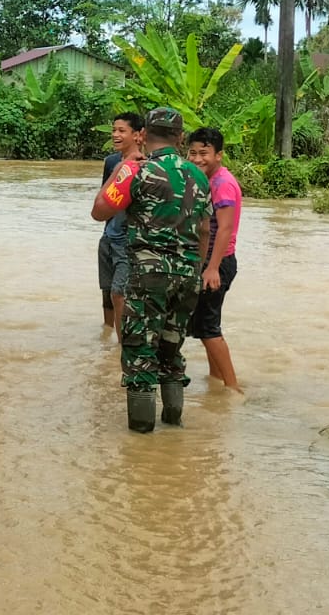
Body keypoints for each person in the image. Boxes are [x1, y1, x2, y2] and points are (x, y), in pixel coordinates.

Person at [91, 107, 212, 432]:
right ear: (181, 138)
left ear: (143, 135)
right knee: (171, 350)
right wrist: (194, 269)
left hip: (148, 275)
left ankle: (142, 437)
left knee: (140, 352)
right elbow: (204, 230)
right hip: (188, 275)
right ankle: (174, 426)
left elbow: (100, 211)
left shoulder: (137, 171)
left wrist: (122, 171)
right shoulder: (198, 174)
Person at [186, 127, 244, 394]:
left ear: (219, 155)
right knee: (205, 325)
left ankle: (233, 388)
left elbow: (224, 229)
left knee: (208, 326)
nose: (197, 158)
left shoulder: (222, 184)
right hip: (211, 260)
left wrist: (211, 268)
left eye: (204, 153)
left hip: (217, 261)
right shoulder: (206, 179)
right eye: (193, 152)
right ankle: (215, 381)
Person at [98, 112, 146, 332]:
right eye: (113, 130)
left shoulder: (145, 165)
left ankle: (121, 347)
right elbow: (105, 196)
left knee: (120, 293)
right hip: (109, 235)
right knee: (107, 291)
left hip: (128, 241)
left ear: (138, 135)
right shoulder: (111, 162)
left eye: (121, 131)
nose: (115, 135)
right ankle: (107, 338)